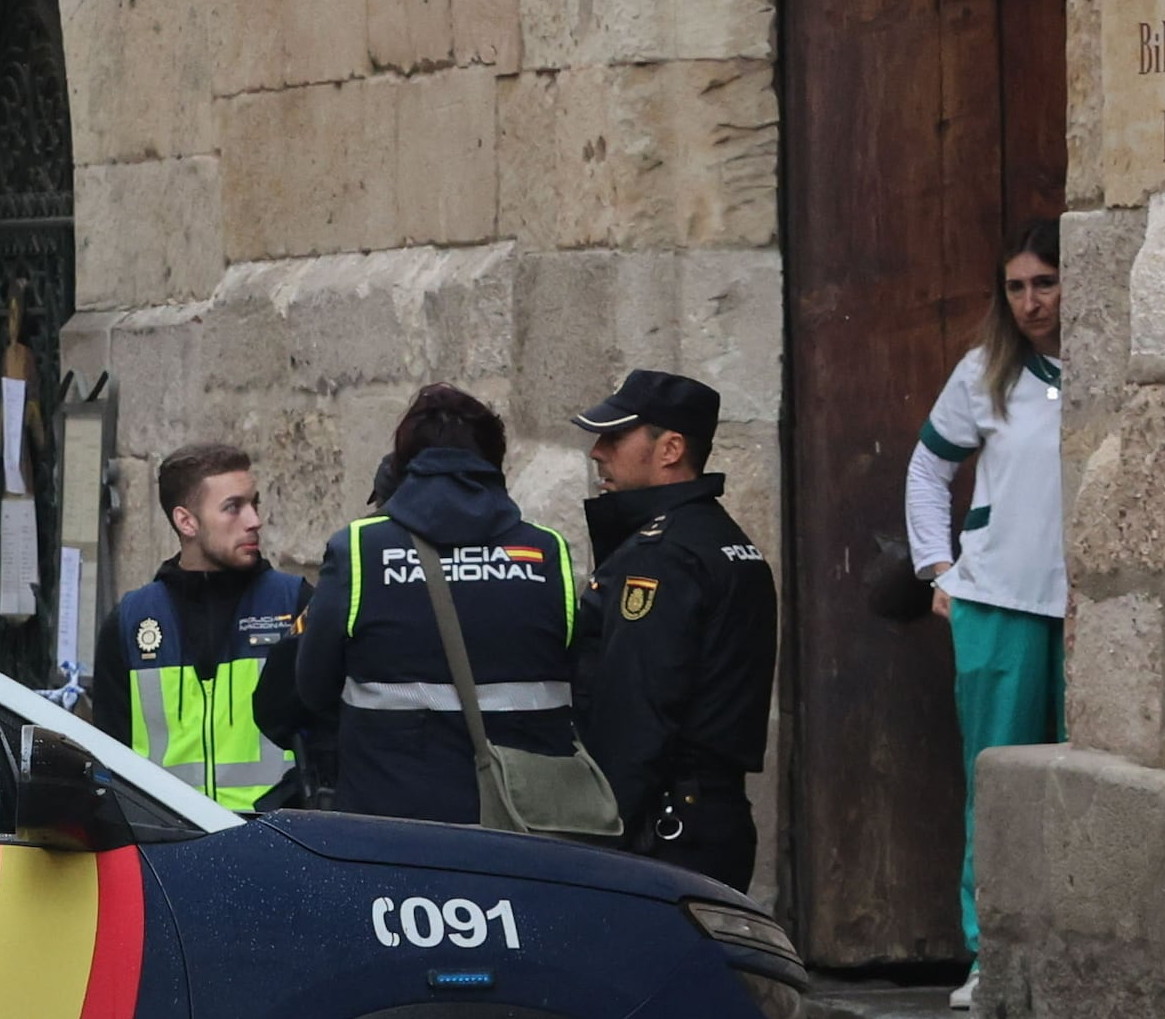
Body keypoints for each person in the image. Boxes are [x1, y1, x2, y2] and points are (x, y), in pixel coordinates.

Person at [283, 385, 585, 825]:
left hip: (394, 826)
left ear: (406, 466)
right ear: (493, 463)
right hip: (526, 825)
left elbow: (312, 687)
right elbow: (576, 675)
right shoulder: (546, 550)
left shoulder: (361, 549)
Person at [909, 221, 1065, 1004]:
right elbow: (927, 471)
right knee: (998, 784)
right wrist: (940, 568)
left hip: (1083, 611)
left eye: (1045, 282)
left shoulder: (1104, 365)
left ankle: (1071, 957)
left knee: (1076, 788)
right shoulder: (986, 374)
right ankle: (991, 955)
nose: (1031, 301)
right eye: (1016, 286)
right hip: (999, 602)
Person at [567, 368, 776, 889]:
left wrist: (598, 836)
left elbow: (634, 713)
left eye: (615, 437)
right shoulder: (722, 540)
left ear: (670, 449)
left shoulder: (661, 558)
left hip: (663, 832)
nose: (598, 452)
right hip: (710, 816)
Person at [85, 440, 306, 811]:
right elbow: (109, 763)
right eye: (233, 508)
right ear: (186, 521)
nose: (254, 520)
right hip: (165, 848)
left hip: (277, 846)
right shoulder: (130, 623)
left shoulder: (295, 605)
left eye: (254, 504)